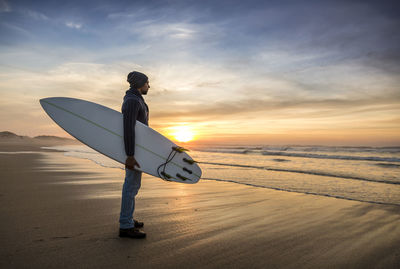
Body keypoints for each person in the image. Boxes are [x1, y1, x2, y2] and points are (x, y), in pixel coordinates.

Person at [119, 71, 150, 239]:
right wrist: (130, 155)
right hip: (134, 152)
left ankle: (128, 218)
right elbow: (128, 128)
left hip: (138, 151)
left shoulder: (136, 99)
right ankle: (125, 225)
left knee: (133, 186)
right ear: (140, 83)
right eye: (147, 83)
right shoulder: (132, 100)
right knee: (130, 186)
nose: (149, 86)